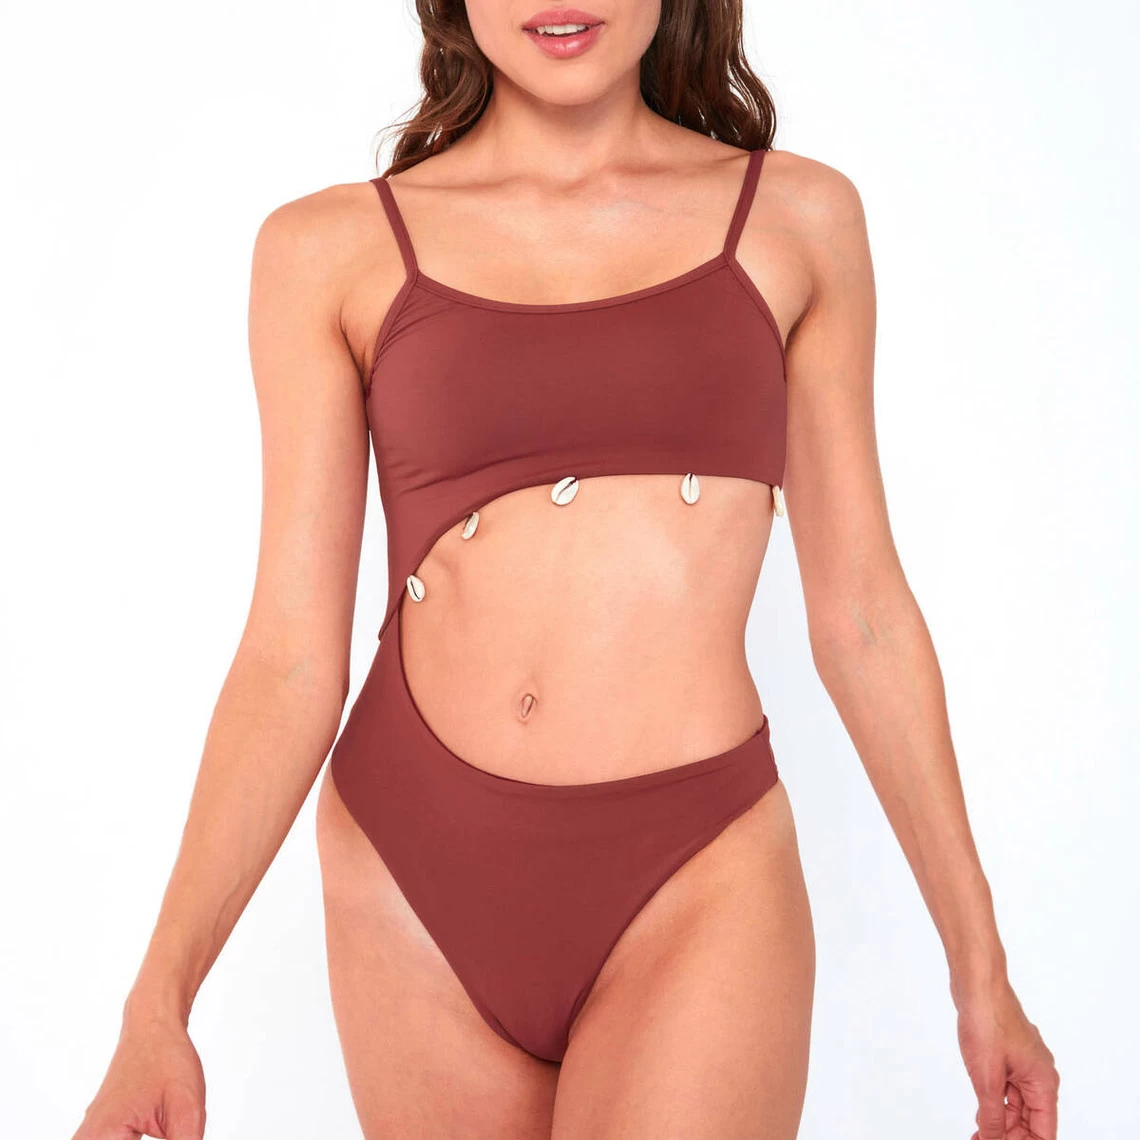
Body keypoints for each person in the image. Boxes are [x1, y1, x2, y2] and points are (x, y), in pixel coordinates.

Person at [72, 2, 1060, 1138]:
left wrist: (980, 969)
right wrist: (160, 1001)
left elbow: (864, 615)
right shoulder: (325, 249)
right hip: (414, 870)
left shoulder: (799, 220)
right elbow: (289, 659)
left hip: (696, 870)